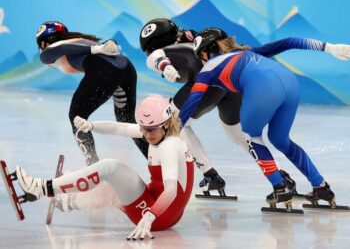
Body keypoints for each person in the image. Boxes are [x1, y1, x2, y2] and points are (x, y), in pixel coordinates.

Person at [139, 18, 350, 196]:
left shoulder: (187, 57)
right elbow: (288, 42)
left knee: (181, 123)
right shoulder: (242, 51)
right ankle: (308, 182)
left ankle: (217, 175)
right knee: (253, 136)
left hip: (223, 86)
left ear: (205, 51)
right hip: (267, 86)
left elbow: (155, 59)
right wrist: (329, 48)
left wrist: (164, 69)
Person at [10, 95, 194, 240]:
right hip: (165, 210)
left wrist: (149, 217)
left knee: (110, 168)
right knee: (110, 190)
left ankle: (42, 187)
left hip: (157, 213)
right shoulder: (161, 131)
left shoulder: (170, 146)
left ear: (165, 124)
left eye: (150, 130)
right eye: (143, 128)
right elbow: (119, 129)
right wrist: (91, 125)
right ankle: (67, 202)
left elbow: (170, 192)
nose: (145, 134)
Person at [36, 21, 148, 165]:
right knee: (127, 121)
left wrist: (96, 49)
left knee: (76, 116)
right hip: (126, 68)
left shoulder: (53, 49)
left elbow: (53, 51)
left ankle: (92, 163)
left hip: (104, 70)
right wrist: (98, 47)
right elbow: (110, 45)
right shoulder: (82, 42)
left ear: (43, 43)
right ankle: (157, 161)